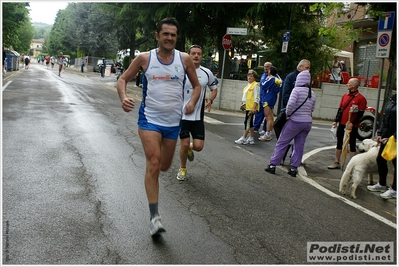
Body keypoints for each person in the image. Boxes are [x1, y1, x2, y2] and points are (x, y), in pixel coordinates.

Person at [116, 17, 201, 236]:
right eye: (166, 34)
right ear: (157, 36)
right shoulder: (145, 58)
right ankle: (154, 217)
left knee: (164, 166)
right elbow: (123, 79)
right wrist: (123, 97)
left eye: (173, 35)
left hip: (173, 123)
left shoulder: (184, 60)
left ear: (176, 37)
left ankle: (181, 153)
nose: (170, 38)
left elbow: (197, 86)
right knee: (153, 163)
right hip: (149, 120)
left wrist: (191, 102)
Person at [177, 45, 218, 181]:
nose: (196, 56)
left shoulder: (207, 73)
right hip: (181, 116)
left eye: (199, 54)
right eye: (193, 53)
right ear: (188, 55)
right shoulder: (180, 71)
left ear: (202, 56)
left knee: (199, 146)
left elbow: (214, 89)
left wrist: (210, 100)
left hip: (198, 116)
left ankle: (189, 147)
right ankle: (182, 168)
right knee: (183, 143)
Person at [265, 70, 316, 177]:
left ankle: (273, 165)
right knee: (299, 145)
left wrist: (288, 114)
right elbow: (312, 109)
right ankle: (294, 168)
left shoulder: (296, 90)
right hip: (307, 122)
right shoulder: (312, 93)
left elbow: (291, 104)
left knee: (282, 142)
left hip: (295, 121)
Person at [327, 78, 367, 169]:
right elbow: (340, 109)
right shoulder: (345, 96)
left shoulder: (361, 99)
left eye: (349, 83)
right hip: (342, 123)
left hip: (352, 126)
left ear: (354, 85)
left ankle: (352, 166)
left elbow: (360, 113)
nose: (347, 84)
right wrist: (336, 120)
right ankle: (336, 162)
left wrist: (352, 123)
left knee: (352, 144)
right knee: (339, 142)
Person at [367, 93, 396, 199]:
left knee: (396, 163)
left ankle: (395, 189)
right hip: (387, 136)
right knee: (380, 159)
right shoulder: (393, 99)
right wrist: (380, 133)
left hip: (395, 138)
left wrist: (395, 136)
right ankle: (382, 184)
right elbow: (385, 118)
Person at [234, 69, 260, 145]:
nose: (249, 77)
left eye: (251, 76)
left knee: (247, 122)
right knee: (250, 122)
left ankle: (244, 137)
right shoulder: (248, 86)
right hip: (247, 106)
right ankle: (251, 138)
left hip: (251, 107)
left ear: (254, 77)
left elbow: (256, 97)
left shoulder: (255, 86)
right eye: (248, 76)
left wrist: (254, 107)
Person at [258, 66, 282, 141]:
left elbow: (263, 85)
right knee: (271, 117)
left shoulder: (271, 78)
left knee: (268, 117)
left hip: (267, 99)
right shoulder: (277, 79)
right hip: (272, 98)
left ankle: (267, 134)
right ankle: (269, 133)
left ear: (270, 72)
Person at [254, 62, 271, 135]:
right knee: (259, 113)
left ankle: (265, 129)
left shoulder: (273, 76)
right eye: (265, 66)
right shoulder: (263, 75)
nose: (265, 68)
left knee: (267, 115)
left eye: (267, 66)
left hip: (267, 99)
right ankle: (256, 127)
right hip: (261, 98)